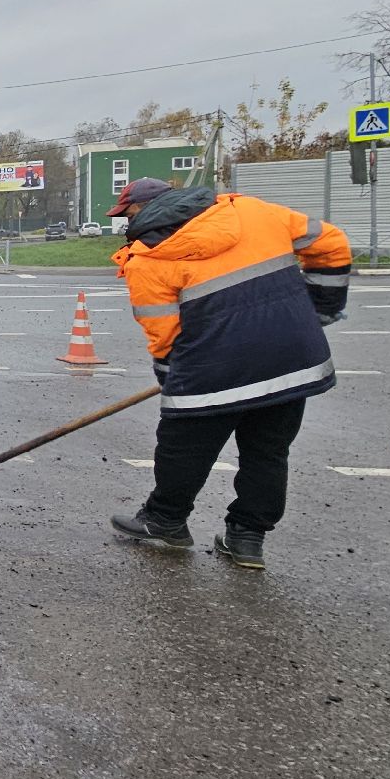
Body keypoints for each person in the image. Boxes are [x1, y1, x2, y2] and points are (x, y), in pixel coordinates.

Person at [105, 178, 351, 570]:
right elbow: (332, 243)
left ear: (141, 211)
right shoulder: (252, 211)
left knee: (183, 446)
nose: (126, 222)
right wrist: (320, 309)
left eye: (127, 214)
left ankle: (165, 520)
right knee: (268, 452)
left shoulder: (148, 257)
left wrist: (173, 384)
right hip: (288, 363)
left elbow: (164, 336)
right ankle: (247, 539)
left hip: (211, 370)